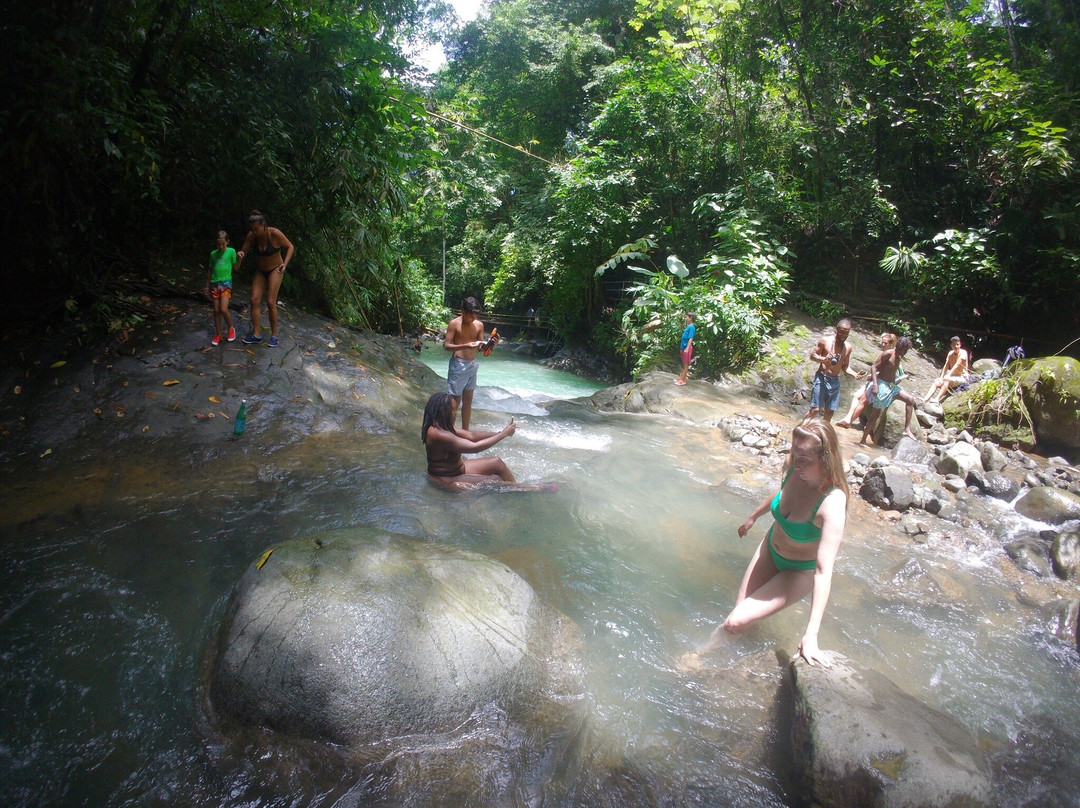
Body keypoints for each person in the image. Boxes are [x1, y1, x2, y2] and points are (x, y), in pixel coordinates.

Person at [688, 420, 849, 667]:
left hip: (799, 571)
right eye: (794, 454)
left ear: (826, 459)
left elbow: (823, 571)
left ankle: (698, 659)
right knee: (739, 615)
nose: (796, 464)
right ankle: (729, 665)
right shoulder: (793, 466)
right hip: (770, 549)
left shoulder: (833, 502)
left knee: (734, 622)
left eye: (805, 459)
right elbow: (782, 492)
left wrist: (811, 634)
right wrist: (753, 516)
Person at [422, 392, 517, 488]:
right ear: (444, 411)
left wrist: (500, 432)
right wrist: (503, 434)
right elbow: (475, 447)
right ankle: (515, 490)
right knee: (495, 480)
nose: (455, 413)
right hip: (446, 477)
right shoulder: (438, 434)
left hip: (458, 469)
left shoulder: (443, 426)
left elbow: (471, 435)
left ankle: (516, 487)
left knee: (497, 463)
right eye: (454, 409)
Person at [235, 210, 295, 348]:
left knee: (270, 301)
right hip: (261, 270)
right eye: (252, 230)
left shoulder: (274, 233)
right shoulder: (251, 236)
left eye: (256, 229)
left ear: (264, 226)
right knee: (254, 299)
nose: (254, 232)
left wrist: (285, 264)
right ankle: (257, 334)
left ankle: (274, 336)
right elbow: (242, 254)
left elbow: (290, 247)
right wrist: (239, 256)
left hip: (276, 269)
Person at [443, 296, 499, 430]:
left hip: (472, 365)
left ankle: (465, 431)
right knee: (454, 402)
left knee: (468, 402)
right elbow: (446, 345)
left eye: (476, 315)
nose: (474, 317)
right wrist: (465, 345)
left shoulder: (479, 325)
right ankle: (449, 433)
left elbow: (480, 348)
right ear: (463, 311)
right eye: (471, 314)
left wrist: (492, 345)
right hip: (458, 365)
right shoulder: (454, 324)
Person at [860, 336, 918, 445]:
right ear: (899, 347)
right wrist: (875, 385)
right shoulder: (888, 354)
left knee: (910, 399)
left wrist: (895, 383)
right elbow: (874, 367)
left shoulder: (899, 357)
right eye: (905, 350)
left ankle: (907, 429)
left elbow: (892, 372)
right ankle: (863, 440)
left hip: (891, 386)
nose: (905, 353)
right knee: (875, 415)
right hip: (881, 384)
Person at [805, 319, 864, 422]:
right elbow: (812, 356)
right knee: (815, 409)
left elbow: (845, 366)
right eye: (841, 332)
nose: (843, 335)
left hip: (835, 381)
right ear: (837, 329)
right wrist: (824, 359)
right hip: (822, 377)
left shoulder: (848, 347)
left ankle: (824, 431)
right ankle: (801, 427)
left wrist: (855, 374)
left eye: (846, 333)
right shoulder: (825, 341)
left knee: (829, 411)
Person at [836, 332, 896, 428]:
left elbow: (888, 371)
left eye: (885, 343)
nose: (882, 344)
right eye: (882, 342)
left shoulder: (891, 355)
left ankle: (849, 422)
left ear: (891, 344)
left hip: (879, 383)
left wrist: (872, 376)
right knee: (856, 395)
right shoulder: (885, 353)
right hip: (874, 380)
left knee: (863, 401)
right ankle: (848, 418)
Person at [204, 230, 238, 347]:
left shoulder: (231, 251)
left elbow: (236, 267)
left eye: (223, 244)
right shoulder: (213, 254)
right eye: (218, 244)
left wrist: (240, 258)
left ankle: (230, 328)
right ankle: (218, 334)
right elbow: (210, 270)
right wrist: (207, 285)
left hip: (226, 283)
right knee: (216, 310)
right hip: (215, 283)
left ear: (227, 242)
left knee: (223, 309)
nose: (221, 246)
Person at [922, 336, 969, 404]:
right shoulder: (950, 353)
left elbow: (957, 364)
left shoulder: (963, 353)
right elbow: (946, 365)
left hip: (962, 377)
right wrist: (941, 377)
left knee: (947, 380)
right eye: (954, 345)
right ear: (951, 346)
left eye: (957, 344)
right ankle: (925, 400)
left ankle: (937, 399)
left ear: (960, 344)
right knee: (936, 382)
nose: (956, 346)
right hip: (953, 377)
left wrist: (948, 375)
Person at [675, 312, 696, 385]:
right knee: (684, 363)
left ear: (691, 318)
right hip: (683, 347)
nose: (685, 318)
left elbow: (690, 338)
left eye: (686, 317)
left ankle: (682, 380)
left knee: (686, 364)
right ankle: (683, 377)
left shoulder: (692, 327)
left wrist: (687, 348)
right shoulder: (688, 326)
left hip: (687, 348)